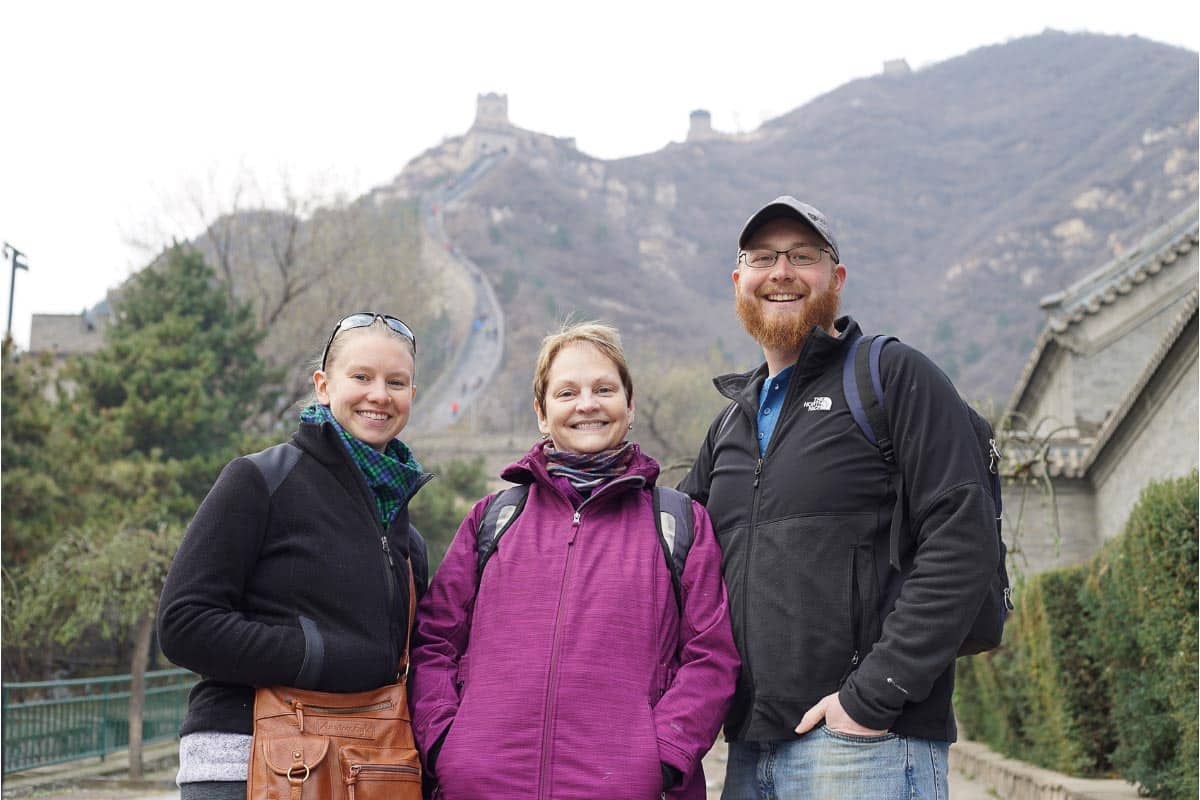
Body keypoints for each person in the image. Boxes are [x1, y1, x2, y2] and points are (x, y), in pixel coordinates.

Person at [679, 197, 999, 798]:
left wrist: (873, 698)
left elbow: (964, 536)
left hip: (865, 747)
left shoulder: (893, 377)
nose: (781, 272)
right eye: (763, 257)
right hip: (748, 749)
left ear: (836, 278)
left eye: (803, 256)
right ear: (738, 280)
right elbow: (669, 561)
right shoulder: (731, 426)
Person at [411, 322, 739, 799]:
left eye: (604, 389)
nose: (587, 404)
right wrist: (448, 747)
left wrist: (661, 759)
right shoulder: (494, 519)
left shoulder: (677, 522)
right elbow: (433, 643)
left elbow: (711, 657)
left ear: (630, 408)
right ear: (542, 414)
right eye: (568, 392)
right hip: (484, 787)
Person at [158, 312, 429, 800]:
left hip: (369, 765)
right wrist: (321, 654)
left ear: (412, 394)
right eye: (361, 377)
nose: (379, 395)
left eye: (397, 382)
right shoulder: (260, 481)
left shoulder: (407, 536)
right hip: (246, 760)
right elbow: (184, 625)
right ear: (323, 386)